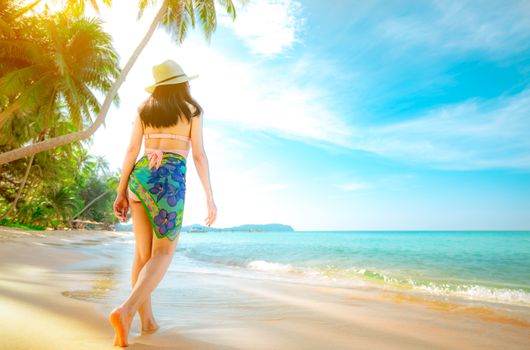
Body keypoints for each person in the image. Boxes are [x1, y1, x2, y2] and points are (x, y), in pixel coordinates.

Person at [109, 59, 217, 347]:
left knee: (142, 255)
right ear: (181, 83)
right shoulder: (192, 109)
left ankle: (147, 322)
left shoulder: (145, 108)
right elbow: (198, 155)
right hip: (168, 180)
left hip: (140, 177)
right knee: (164, 251)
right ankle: (126, 310)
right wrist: (210, 197)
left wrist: (121, 191)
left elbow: (132, 149)